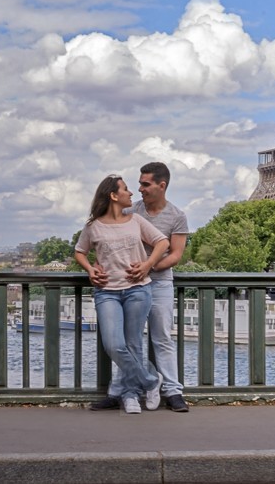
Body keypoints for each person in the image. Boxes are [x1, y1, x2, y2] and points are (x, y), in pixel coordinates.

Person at [89, 161, 191, 413]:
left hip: (158, 283)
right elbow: (105, 243)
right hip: (126, 284)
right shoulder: (129, 212)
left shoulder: (176, 216)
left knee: (161, 337)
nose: (140, 189)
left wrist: (148, 266)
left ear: (161, 185)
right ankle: (124, 390)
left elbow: (176, 254)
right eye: (139, 184)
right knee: (124, 342)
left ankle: (172, 390)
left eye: (145, 184)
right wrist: (97, 267)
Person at [74, 173, 169, 415]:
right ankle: (150, 380)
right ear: (114, 196)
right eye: (126, 189)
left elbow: (162, 243)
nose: (132, 193)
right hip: (107, 292)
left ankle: (130, 396)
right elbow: (80, 251)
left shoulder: (136, 220)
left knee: (133, 344)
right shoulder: (93, 227)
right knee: (114, 344)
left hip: (138, 289)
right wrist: (90, 269)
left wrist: (147, 265)